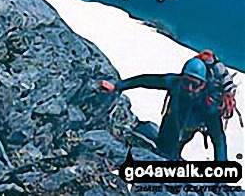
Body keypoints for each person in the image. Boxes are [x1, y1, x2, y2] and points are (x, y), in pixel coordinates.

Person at [98, 52, 238, 161]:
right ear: (181, 77)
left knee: (171, 150)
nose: (188, 88)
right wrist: (117, 86)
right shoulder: (175, 82)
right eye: (186, 82)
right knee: (165, 151)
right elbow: (146, 80)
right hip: (173, 123)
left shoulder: (210, 105)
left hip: (185, 126)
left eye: (194, 85)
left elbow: (218, 139)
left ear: (204, 84)